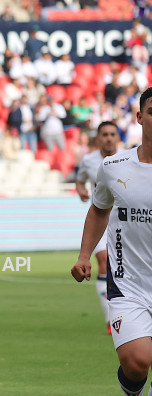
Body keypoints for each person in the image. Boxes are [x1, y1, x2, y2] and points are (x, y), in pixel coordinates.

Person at [71, 87, 152, 396]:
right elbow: (99, 209)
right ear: (140, 117)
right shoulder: (114, 165)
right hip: (128, 283)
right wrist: (84, 255)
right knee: (136, 361)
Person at [75, 121, 120, 334]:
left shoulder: (127, 159)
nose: (109, 138)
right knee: (103, 261)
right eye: (105, 134)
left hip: (123, 222)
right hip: (100, 219)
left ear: (117, 137)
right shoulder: (88, 161)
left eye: (112, 134)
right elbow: (80, 180)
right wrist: (81, 191)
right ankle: (110, 319)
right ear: (98, 138)